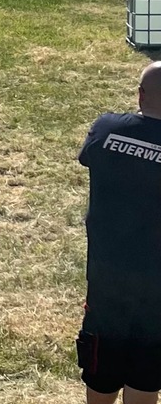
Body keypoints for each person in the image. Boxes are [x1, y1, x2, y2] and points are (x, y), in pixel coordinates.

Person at [77, 61, 161, 403]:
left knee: (102, 369)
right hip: (158, 286)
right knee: (146, 374)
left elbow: (88, 156)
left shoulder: (106, 128)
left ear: (140, 95)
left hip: (107, 279)